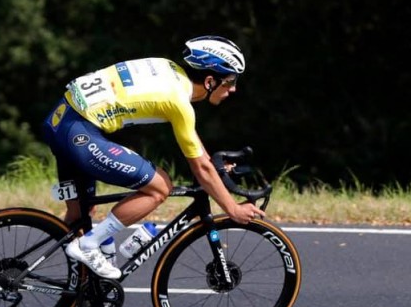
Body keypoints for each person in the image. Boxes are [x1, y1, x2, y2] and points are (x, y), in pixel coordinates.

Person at [41, 36, 265, 279]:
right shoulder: (178, 102)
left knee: (80, 214)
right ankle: (88, 245)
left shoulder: (169, 70)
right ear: (210, 81)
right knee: (160, 187)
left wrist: (211, 164)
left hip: (61, 119)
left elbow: (194, 145)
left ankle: (77, 288)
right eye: (230, 81)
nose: (233, 89)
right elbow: (200, 167)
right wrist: (232, 209)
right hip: (80, 132)